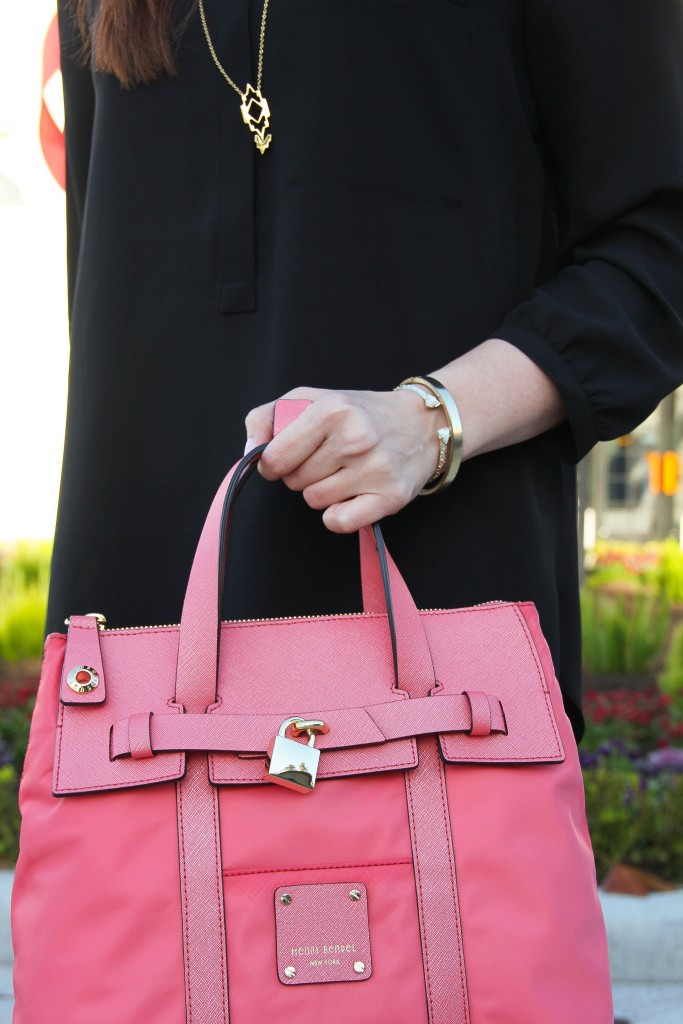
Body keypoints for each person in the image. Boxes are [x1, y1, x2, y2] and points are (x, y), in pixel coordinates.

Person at [46, 0, 683, 744]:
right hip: (136, 649)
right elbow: (103, 296)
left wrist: (434, 419)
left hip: (446, 650)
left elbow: (658, 239)